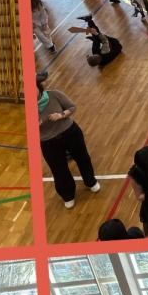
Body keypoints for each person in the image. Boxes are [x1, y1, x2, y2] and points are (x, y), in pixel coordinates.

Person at [36, 76, 97, 212]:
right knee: (59, 170)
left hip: (70, 133)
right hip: (48, 142)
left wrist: (61, 115)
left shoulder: (54, 94)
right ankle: (67, 195)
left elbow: (72, 107)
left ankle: (90, 181)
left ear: (38, 87)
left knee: (82, 158)